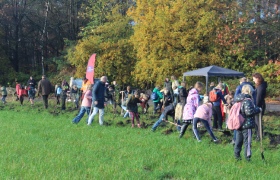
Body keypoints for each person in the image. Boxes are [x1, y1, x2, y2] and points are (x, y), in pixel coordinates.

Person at [234, 85, 261, 161]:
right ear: (250, 91)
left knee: (238, 141)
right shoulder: (247, 100)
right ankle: (247, 158)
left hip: (238, 123)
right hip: (247, 124)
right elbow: (249, 112)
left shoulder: (238, 99)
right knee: (247, 142)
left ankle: (237, 157)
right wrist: (258, 110)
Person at [253, 73, 267, 141]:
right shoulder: (259, 86)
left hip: (259, 106)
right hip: (257, 105)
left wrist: (256, 107)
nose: (253, 80)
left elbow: (258, 98)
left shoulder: (261, 87)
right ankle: (257, 135)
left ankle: (259, 136)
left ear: (258, 78)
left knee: (258, 122)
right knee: (256, 121)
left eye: (254, 79)